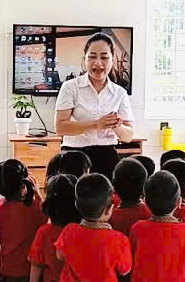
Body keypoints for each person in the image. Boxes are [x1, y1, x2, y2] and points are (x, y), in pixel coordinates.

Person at [55, 33, 135, 178]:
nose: (98, 63)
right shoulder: (70, 87)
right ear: (84, 59)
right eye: (92, 57)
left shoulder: (119, 93)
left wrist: (116, 125)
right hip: (74, 156)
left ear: (112, 60)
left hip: (107, 156)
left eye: (104, 57)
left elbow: (128, 136)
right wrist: (96, 124)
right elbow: (60, 127)